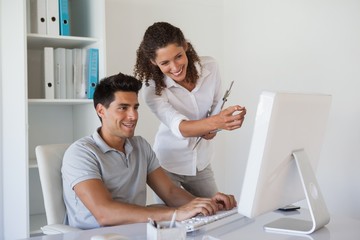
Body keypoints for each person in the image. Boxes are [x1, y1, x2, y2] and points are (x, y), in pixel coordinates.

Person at [61, 72, 237, 229]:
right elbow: (104, 213)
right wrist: (175, 214)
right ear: (101, 110)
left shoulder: (140, 146)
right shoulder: (81, 153)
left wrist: (207, 204)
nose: (133, 116)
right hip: (94, 236)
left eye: (135, 107)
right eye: (123, 108)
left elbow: (169, 192)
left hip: (134, 231)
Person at [134, 22, 247, 198]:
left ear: (185, 46)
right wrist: (216, 123)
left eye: (178, 56)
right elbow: (178, 125)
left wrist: (216, 126)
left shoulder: (210, 67)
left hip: (201, 162)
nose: (175, 67)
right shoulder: (151, 89)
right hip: (168, 164)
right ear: (153, 62)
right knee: (172, 220)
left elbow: (216, 105)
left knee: (216, 211)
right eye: (165, 63)